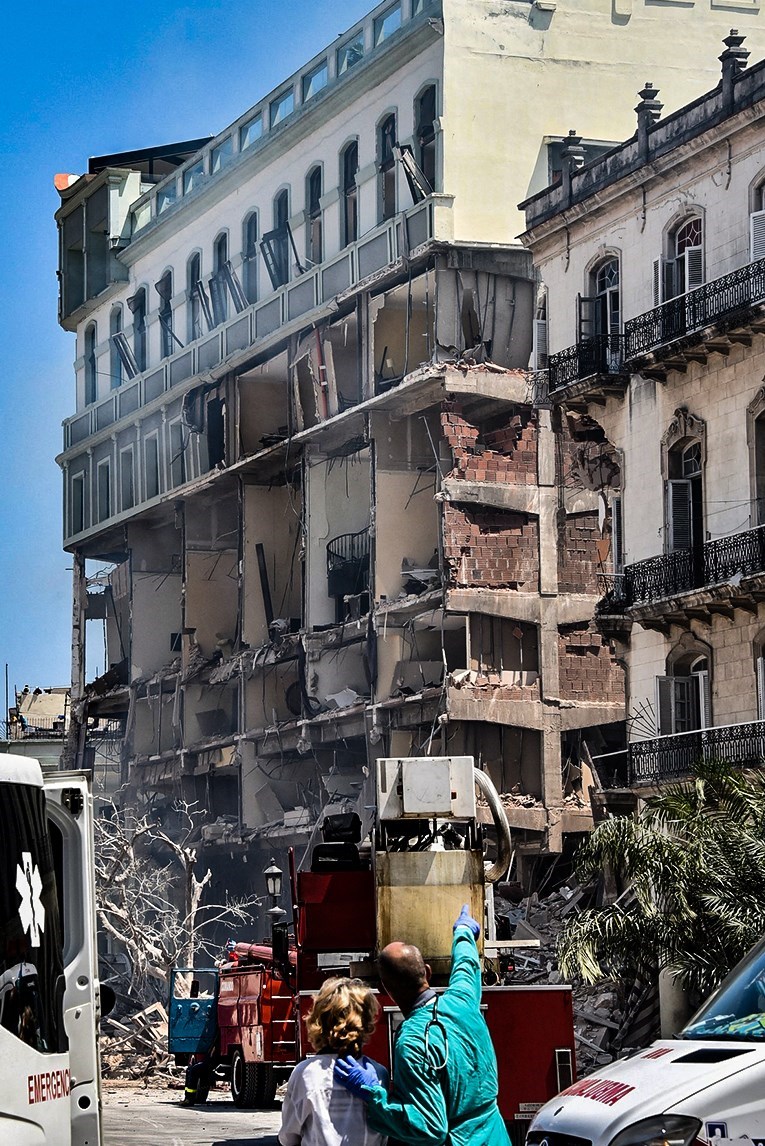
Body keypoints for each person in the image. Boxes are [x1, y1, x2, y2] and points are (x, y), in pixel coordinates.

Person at [334, 904, 510, 1146]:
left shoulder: (412, 1042)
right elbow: (466, 966)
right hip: (497, 1137)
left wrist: (375, 1095)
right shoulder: (462, 1001)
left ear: (387, 990)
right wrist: (463, 933)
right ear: (427, 972)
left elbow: (430, 1128)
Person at [279, 976, 389, 1146]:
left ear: (319, 1019)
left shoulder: (306, 1073)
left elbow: (288, 1138)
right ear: (366, 1021)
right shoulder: (377, 1073)